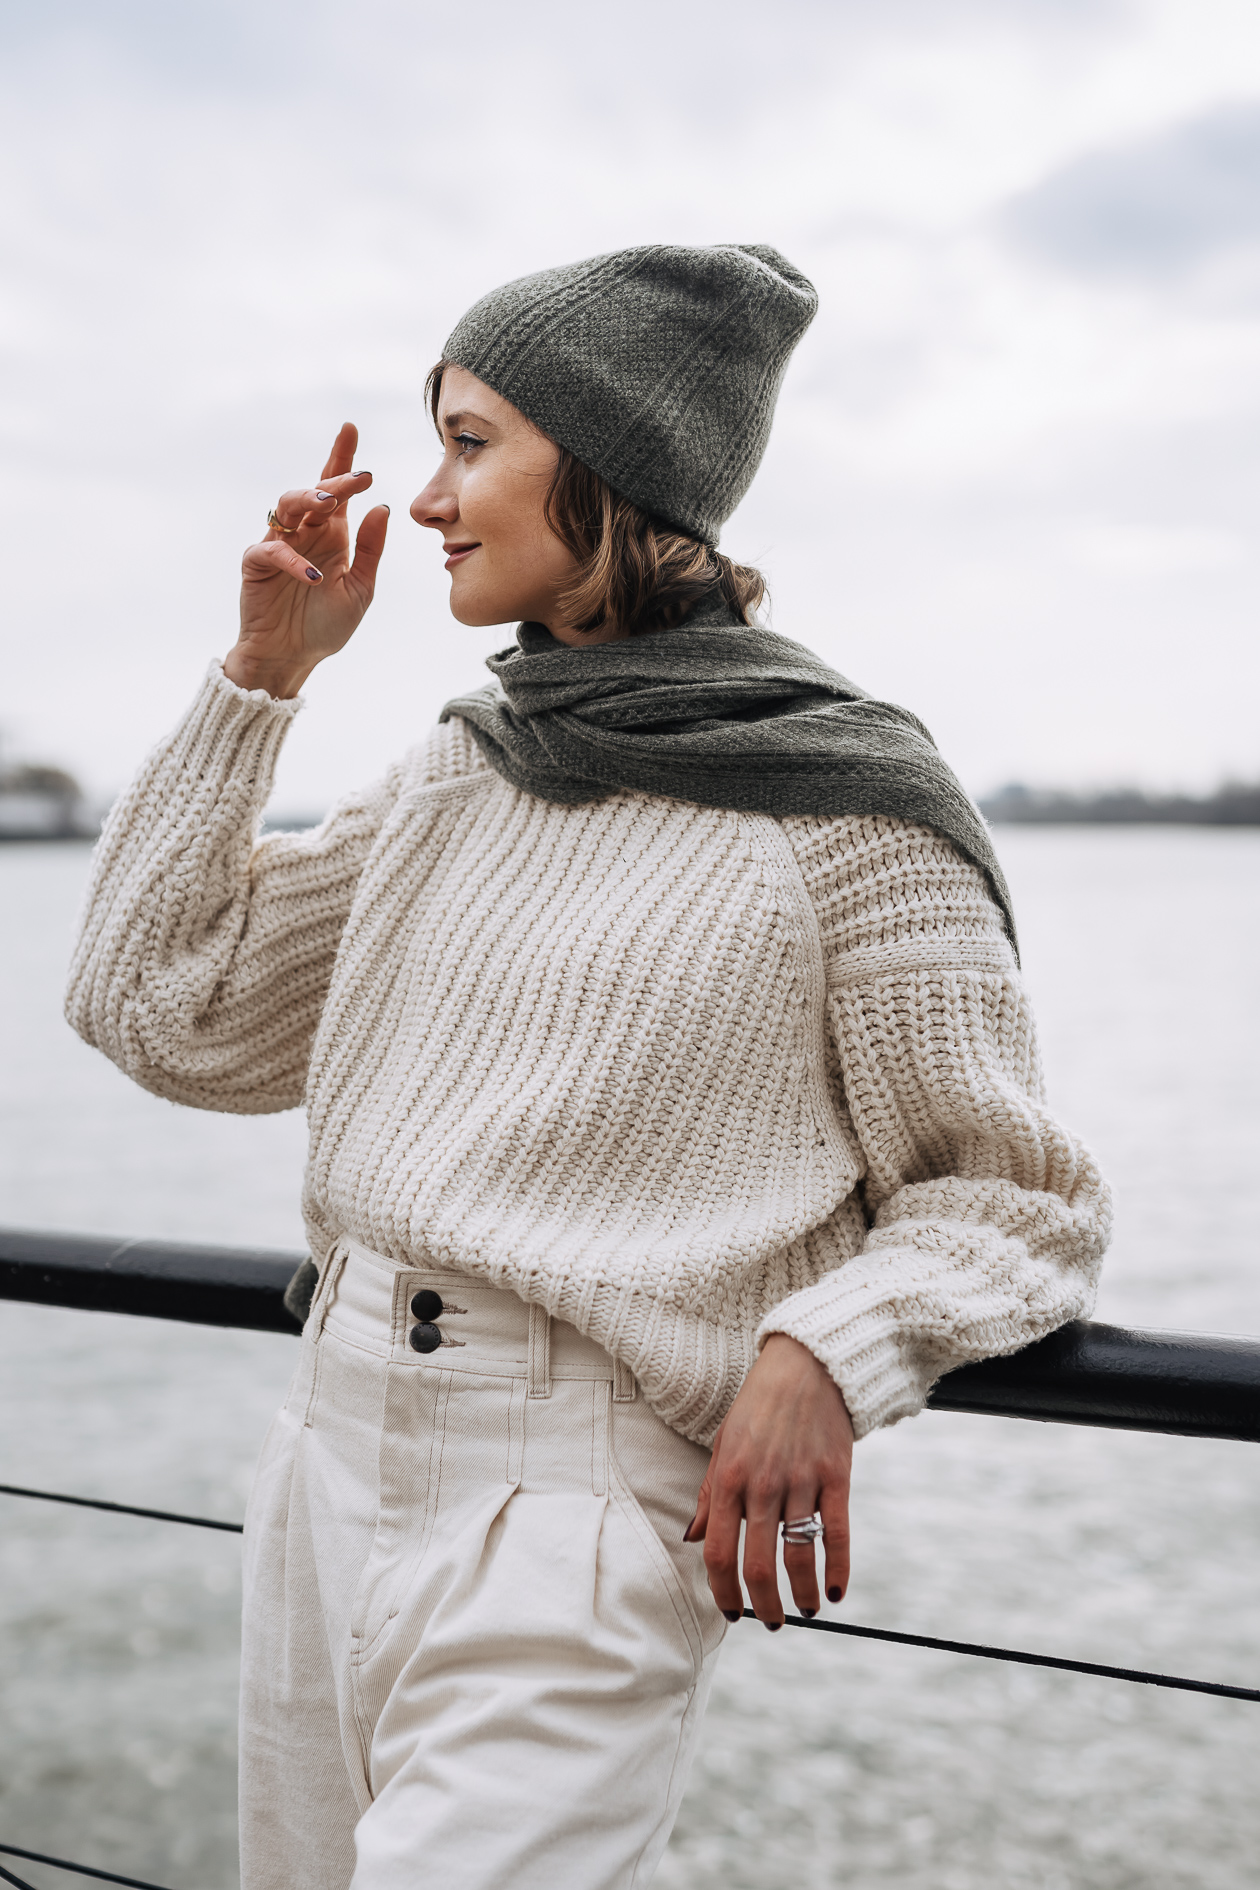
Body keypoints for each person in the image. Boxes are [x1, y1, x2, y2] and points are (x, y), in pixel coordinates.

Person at [66, 243, 1111, 1890]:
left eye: (471, 441)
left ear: (611, 463)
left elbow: (1012, 1197)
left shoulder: (845, 804)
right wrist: (261, 677)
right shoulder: (457, 773)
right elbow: (156, 1003)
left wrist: (826, 1344)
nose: (422, 499)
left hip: (573, 1519)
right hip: (327, 1454)